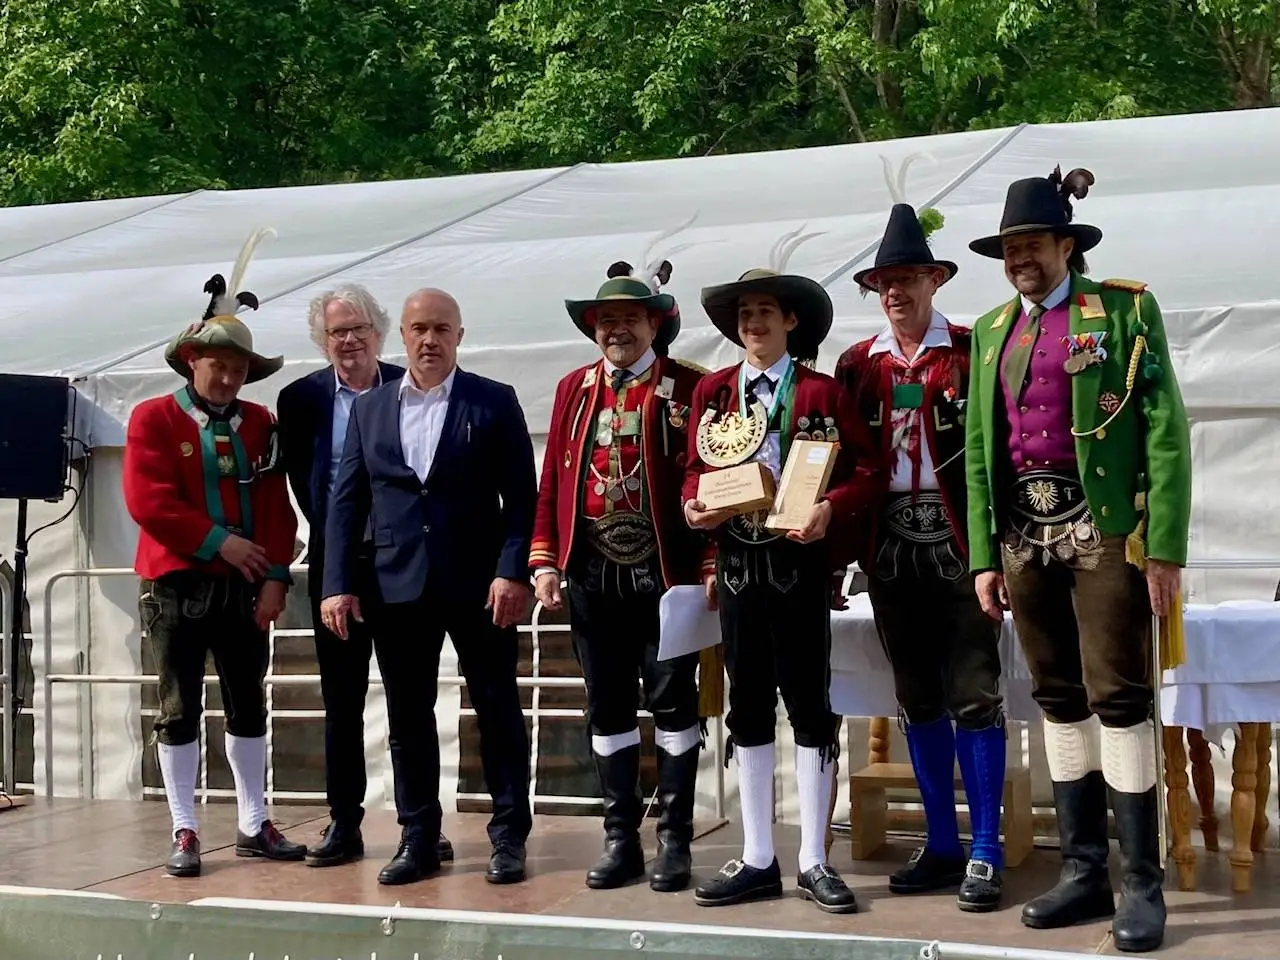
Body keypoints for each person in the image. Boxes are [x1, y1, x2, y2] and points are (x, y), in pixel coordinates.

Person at [964, 166, 1191, 953]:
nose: (1021, 256)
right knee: (1057, 695)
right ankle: (1084, 870)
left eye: (1032, 242)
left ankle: (1141, 883)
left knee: (1119, 697)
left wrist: (1163, 546)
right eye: (1010, 246)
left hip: (1103, 532)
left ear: (1066, 244)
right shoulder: (992, 330)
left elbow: (1164, 429)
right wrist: (982, 553)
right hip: (1024, 537)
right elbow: (977, 450)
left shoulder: (1124, 310)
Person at [681, 240, 883, 914]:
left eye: (765, 311)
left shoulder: (821, 391)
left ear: (790, 321)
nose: (754, 323)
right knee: (745, 708)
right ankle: (760, 856)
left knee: (809, 705)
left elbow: (867, 471)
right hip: (737, 567)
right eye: (745, 314)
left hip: (799, 565)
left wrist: (829, 510)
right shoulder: (714, 391)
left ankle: (815, 859)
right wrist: (693, 505)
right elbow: (694, 471)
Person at [321, 288, 536, 887]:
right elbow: (345, 503)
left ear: (459, 335)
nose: (430, 340)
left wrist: (512, 568)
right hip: (395, 587)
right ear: (404, 336)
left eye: (442, 328)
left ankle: (508, 835)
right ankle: (417, 836)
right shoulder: (369, 409)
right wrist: (335, 582)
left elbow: (522, 499)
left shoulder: (492, 402)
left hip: (479, 585)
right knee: (407, 715)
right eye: (419, 328)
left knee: (497, 710)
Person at [834, 202, 1006, 912]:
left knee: (977, 694)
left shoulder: (971, 351)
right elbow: (835, 463)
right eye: (885, 282)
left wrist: (1000, 549)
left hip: (963, 548)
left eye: (907, 277)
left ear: (934, 280)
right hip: (891, 550)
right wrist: (835, 559)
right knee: (918, 698)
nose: (896, 291)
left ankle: (988, 848)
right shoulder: (855, 364)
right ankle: (941, 843)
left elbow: (1000, 456)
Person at [122, 230, 306, 877]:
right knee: (178, 709)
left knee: (250, 702)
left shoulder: (262, 424)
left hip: (245, 592)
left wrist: (278, 575)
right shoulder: (151, 419)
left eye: (236, 368)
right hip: (174, 588)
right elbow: (148, 502)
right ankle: (185, 829)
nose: (226, 376)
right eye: (216, 364)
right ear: (191, 361)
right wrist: (221, 542)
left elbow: (280, 506)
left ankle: (254, 823)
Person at [530, 254, 710, 893]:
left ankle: (676, 839)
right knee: (605, 703)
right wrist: (545, 558)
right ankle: (619, 838)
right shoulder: (572, 389)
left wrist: (710, 562)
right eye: (606, 321)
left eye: (629, 319)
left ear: (654, 324)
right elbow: (553, 478)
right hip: (592, 573)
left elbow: (713, 478)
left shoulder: (692, 385)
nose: (616, 331)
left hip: (665, 575)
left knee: (672, 703)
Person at [276, 284, 453, 868]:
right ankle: (344, 822)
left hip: (401, 566)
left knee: (410, 702)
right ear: (322, 342)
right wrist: (336, 560)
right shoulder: (298, 400)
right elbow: (307, 484)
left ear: (381, 333)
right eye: (335, 333)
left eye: (357, 330)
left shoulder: (411, 384)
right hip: (336, 564)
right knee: (341, 702)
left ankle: (420, 825)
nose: (348, 341)